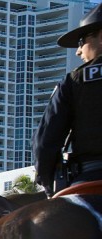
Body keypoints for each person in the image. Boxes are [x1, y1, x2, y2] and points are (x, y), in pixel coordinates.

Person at [34, 4, 102, 195]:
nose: (78, 51)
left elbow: (45, 143)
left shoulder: (73, 81)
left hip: (90, 179)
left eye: (81, 42)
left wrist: (48, 185)